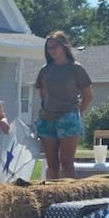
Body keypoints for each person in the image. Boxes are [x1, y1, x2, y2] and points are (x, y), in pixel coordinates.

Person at [34, 30, 94, 179]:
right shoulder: (45, 70)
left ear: (64, 46)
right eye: (49, 48)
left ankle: (71, 197)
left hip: (68, 118)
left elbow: (88, 95)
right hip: (47, 119)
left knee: (66, 162)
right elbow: (42, 93)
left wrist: (78, 113)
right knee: (52, 164)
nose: (52, 50)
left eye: (55, 46)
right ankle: (53, 196)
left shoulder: (76, 68)